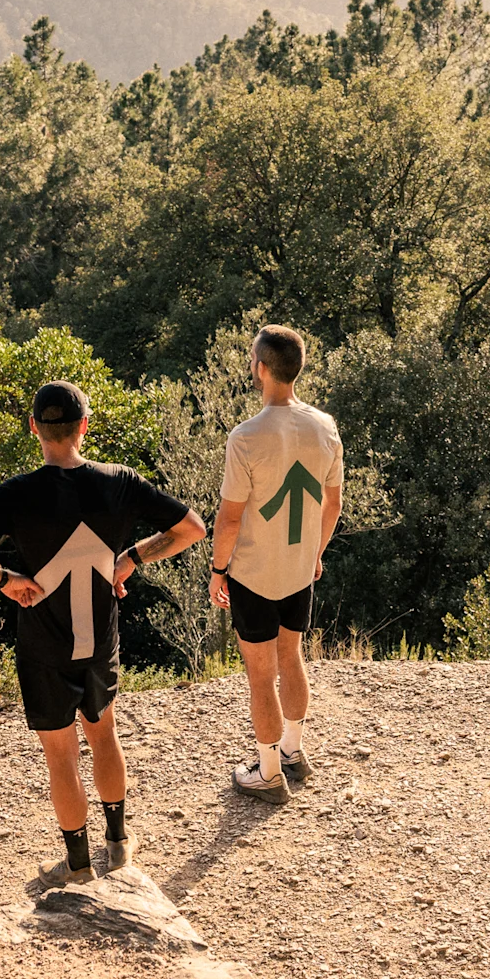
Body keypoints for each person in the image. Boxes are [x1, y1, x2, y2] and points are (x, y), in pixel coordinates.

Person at [0, 381, 206, 886]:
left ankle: (78, 864)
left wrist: (6, 580)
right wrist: (129, 558)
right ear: (84, 426)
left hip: (44, 647)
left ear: (34, 429)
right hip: (99, 641)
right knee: (104, 736)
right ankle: (119, 845)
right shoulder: (121, 481)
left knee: (61, 755)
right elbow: (192, 527)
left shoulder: (18, 493)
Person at [211, 325, 343, 805]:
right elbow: (333, 502)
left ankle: (268, 774)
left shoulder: (245, 437)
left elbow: (228, 519)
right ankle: (292, 751)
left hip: (254, 573)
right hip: (298, 569)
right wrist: (315, 553)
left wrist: (218, 569)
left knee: (260, 673)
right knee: (292, 656)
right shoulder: (325, 427)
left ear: (261, 369)